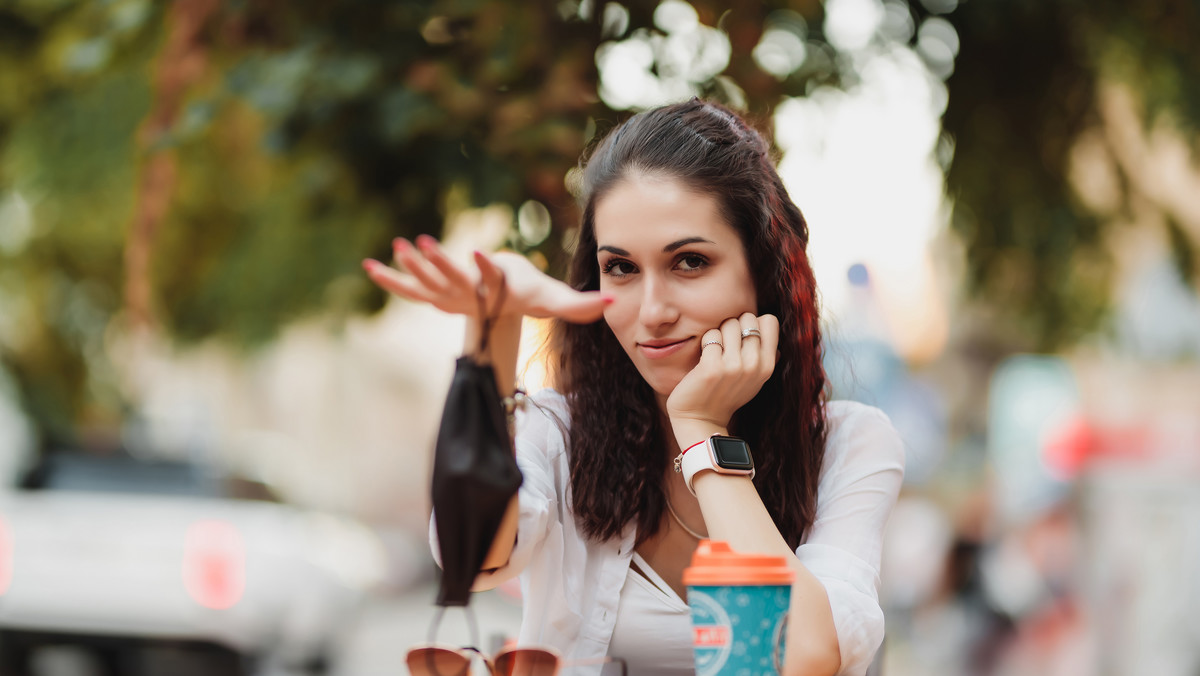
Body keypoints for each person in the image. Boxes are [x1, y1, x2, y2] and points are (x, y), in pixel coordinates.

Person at [364, 98, 905, 676]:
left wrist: (702, 433)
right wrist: (495, 323)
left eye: (690, 262)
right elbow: (470, 555)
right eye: (621, 268)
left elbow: (803, 657)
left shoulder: (850, 445)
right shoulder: (563, 435)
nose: (651, 312)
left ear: (765, 273)